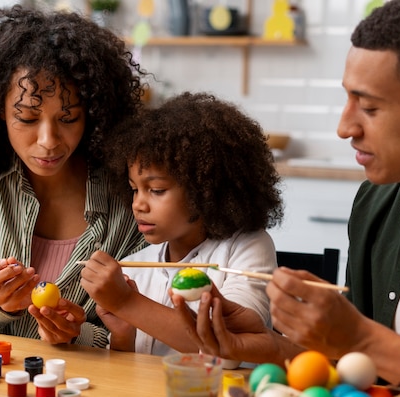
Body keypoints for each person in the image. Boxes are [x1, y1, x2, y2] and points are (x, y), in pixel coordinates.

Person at [171, 0, 400, 397]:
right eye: (347, 100)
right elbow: (355, 368)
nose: (345, 127)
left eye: (370, 107)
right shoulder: (376, 202)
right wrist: (270, 343)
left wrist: (360, 337)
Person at [0, 5, 146, 348]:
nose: (48, 141)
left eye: (68, 119)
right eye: (26, 118)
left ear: (94, 114)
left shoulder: (129, 188)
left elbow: (142, 332)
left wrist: (78, 335)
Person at [79, 92, 284, 360]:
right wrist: (123, 335)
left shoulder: (246, 248)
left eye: (156, 190)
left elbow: (232, 342)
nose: (138, 204)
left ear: (205, 189)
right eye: (134, 190)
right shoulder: (133, 267)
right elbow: (127, 372)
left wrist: (126, 302)